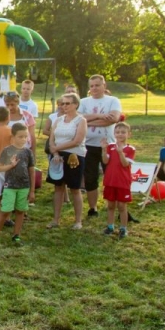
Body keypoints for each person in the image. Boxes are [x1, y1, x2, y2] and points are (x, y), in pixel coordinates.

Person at [79, 74, 121, 218]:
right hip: (88, 145)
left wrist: (89, 120)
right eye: (92, 86)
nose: (94, 88)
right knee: (90, 178)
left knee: (111, 177)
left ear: (104, 85)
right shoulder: (83, 102)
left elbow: (113, 119)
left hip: (108, 145)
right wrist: (101, 116)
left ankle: (114, 206)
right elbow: (79, 118)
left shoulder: (113, 100)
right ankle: (93, 208)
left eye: (97, 85)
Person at [0, 124, 36, 244]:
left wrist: (32, 190)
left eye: (25, 136)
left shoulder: (28, 152)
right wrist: (11, 165)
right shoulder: (7, 151)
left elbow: (31, 171)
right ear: (13, 137)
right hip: (10, 186)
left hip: (24, 186)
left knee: (20, 211)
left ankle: (16, 235)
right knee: (5, 210)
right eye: (20, 136)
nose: (23, 139)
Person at [47, 93, 88, 230]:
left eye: (67, 103)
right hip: (58, 156)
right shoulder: (58, 120)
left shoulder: (81, 120)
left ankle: (78, 221)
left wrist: (57, 148)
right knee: (58, 187)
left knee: (75, 189)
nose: (64, 106)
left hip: (74, 156)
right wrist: (55, 152)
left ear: (75, 105)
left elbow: (77, 141)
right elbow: (52, 139)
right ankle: (55, 219)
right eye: (62, 103)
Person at [102, 122, 134, 238]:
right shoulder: (110, 147)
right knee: (111, 205)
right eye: (117, 132)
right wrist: (104, 150)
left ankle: (123, 228)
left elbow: (125, 164)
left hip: (123, 182)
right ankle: (110, 226)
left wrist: (120, 152)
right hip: (110, 181)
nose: (120, 134)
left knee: (121, 206)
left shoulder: (130, 149)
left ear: (128, 134)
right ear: (114, 134)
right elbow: (105, 161)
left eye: (123, 132)